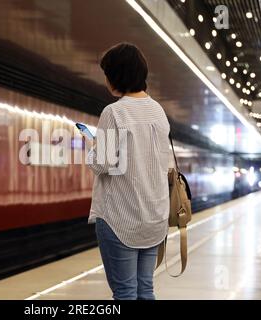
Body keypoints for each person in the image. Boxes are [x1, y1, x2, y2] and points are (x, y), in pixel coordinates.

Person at [86, 43, 170, 300]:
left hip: (120, 218)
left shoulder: (114, 112)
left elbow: (102, 163)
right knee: (145, 290)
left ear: (116, 75)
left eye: (107, 73)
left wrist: (92, 146)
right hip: (154, 218)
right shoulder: (158, 111)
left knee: (124, 293)